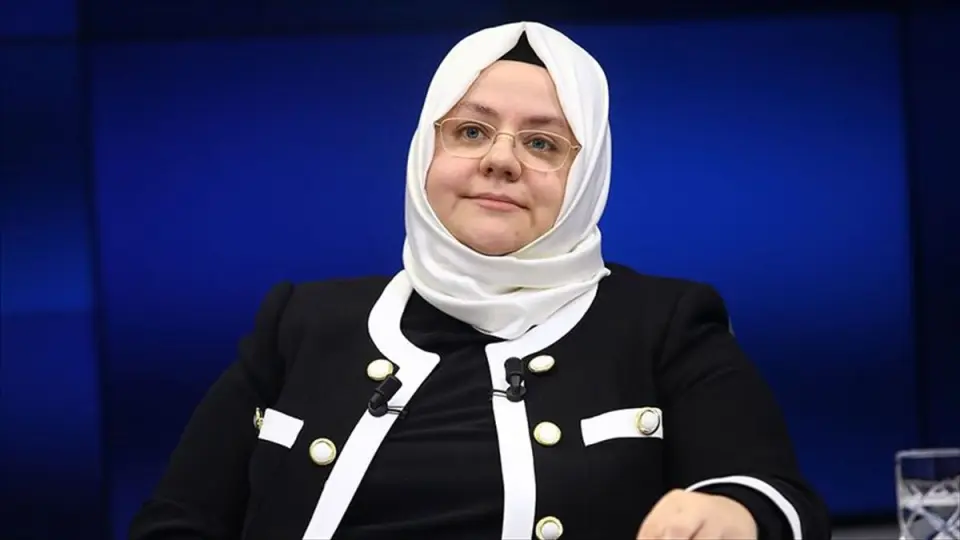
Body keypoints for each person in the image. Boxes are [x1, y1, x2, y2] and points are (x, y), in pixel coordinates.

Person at [129, 21, 830, 540]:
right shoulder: (300, 322)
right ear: (424, 151)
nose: (501, 161)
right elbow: (177, 520)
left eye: (542, 143)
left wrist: (733, 514)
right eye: (470, 131)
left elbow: (780, 502)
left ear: (587, 177)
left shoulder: (665, 323)